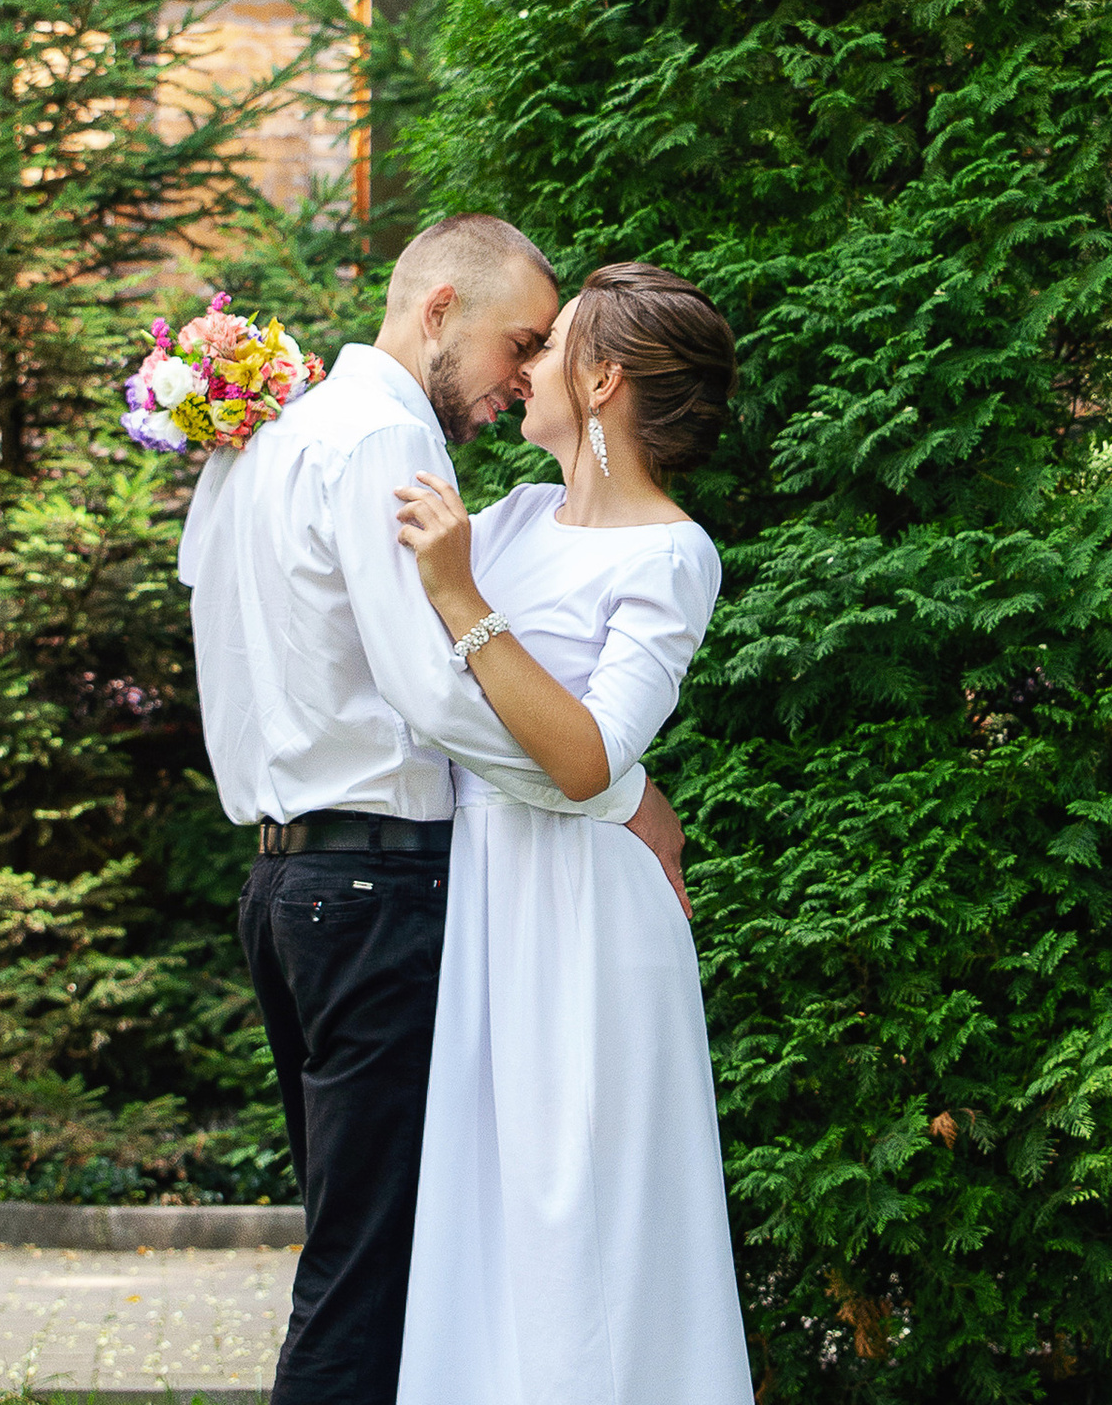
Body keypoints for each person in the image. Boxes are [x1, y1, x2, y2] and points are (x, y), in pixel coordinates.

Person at [177, 215, 691, 1405]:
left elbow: (220, 633)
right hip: (374, 894)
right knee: (370, 1280)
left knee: (368, 1260)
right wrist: (618, 789)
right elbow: (431, 688)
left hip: (284, 886)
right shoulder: (380, 439)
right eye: (517, 340)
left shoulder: (272, 434)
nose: (522, 374)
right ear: (438, 310)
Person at [391, 260, 751, 1405]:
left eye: (550, 349)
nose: (526, 364)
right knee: (492, 1219)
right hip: (492, 898)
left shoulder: (671, 554)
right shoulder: (503, 518)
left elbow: (590, 751)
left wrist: (460, 598)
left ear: (599, 381)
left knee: (581, 1220)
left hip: (588, 924)